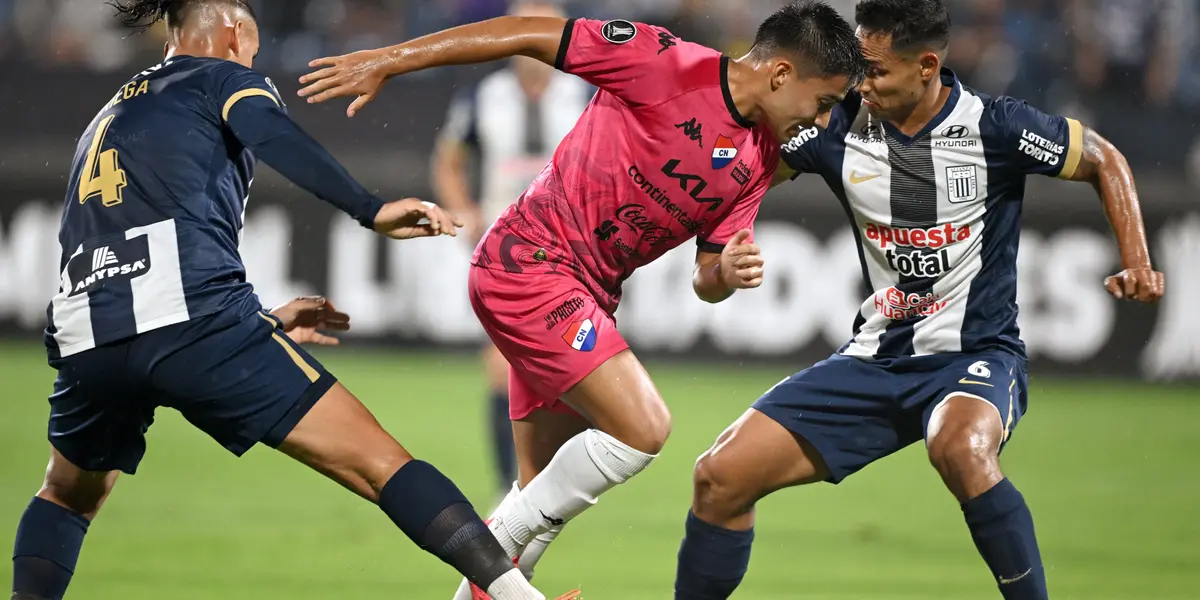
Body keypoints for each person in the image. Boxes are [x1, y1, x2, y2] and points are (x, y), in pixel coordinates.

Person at [8, 2, 578, 600]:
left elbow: (129, 242)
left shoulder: (109, 112)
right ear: (234, 30)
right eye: (252, 43)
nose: (254, 56)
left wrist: (260, 320)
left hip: (87, 329)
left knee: (66, 495)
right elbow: (271, 134)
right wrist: (370, 207)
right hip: (194, 325)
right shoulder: (225, 78)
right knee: (380, 464)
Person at [296, 2, 866, 597]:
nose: (820, 124)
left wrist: (723, 269)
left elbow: (705, 281)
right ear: (780, 76)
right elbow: (523, 33)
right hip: (528, 263)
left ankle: (496, 572)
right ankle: (501, 554)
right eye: (822, 104)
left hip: (587, 295)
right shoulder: (661, 61)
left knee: (538, 500)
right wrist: (391, 59)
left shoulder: (757, 159)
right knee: (643, 427)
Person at [672, 1, 1166, 599]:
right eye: (857, 67)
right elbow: (737, 179)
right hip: (875, 359)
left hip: (975, 356)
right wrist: (716, 260)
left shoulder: (997, 127)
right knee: (718, 477)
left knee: (959, 445)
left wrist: (1137, 259)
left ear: (927, 65)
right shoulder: (834, 126)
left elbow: (1103, 160)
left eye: (876, 70)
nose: (861, 83)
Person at [431, 0, 593, 507]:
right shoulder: (484, 95)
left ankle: (557, 482)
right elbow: (448, 160)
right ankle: (511, 488)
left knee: (579, 373)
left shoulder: (586, 91)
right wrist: (464, 212)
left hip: (575, 252)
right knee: (501, 367)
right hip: (507, 249)